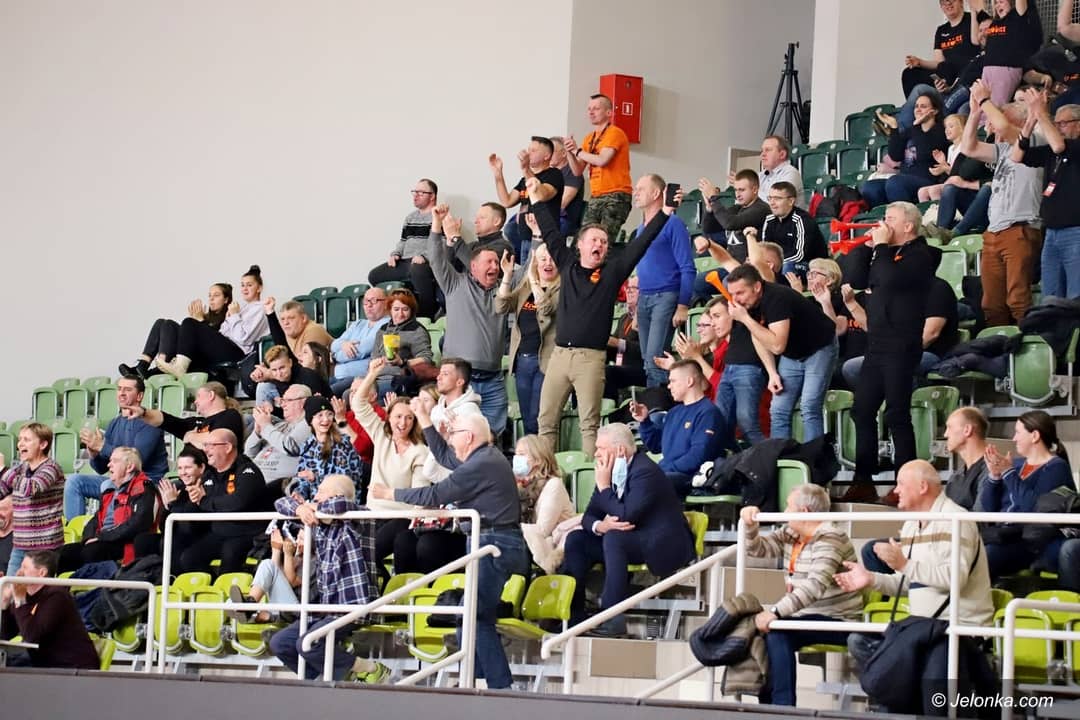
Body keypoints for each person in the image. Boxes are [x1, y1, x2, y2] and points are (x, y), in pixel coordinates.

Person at [369, 410, 527, 690]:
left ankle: (499, 686)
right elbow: (444, 457)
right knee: (470, 614)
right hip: (489, 540)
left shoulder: (482, 463)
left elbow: (436, 494)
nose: (450, 440)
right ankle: (475, 681)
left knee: (475, 615)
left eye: (454, 435)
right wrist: (427, 421)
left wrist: (390, 493)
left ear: (469, 437)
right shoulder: (483, 458)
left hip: (495, 543)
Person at [530, 178, 674, 457]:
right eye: (595, 240)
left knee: (589, 425)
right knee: (545, 421)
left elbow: (640, 244)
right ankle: (545, 474)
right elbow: (550, 231)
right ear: (580, 245)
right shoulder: (568, 265)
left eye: (605, 242)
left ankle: (595, 474)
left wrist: (665, 213)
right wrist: (536, 199)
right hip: (559, 356)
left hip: (590, 359)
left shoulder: (612, 273)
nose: (600, 244)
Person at [836, 460, 994, 716]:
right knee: (858, 641)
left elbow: (955, 578)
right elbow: (910, 583)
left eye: (901, 484)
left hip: (956, 628)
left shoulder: (957, 520)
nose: (895, 490)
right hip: (920, 630)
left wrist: (904, 563)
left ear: (922, 487)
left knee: (908, 669)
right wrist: (871, 579)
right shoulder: (911, 525)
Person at [560, 424, 694, 636]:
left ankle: (612, 617)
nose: (596, 454)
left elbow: (626, 516)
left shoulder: (645, 472)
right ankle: (575, 616)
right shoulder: (610, 472)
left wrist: (605, 488)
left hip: (660, 542)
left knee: (615, 538)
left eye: (601, 448)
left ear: (620, 450)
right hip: (632, 539)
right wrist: (600, 525)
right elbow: (589, 516)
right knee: (577, 539)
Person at [844, 203, 937, 504]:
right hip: (876, 344)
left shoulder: (921, 255)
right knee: (862, 409)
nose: (883, 223)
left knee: (897, 413)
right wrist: (866, 247)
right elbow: (858, 279)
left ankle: (904, 484)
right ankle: (863, 480)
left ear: (908, 226)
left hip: (902, 344)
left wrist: (882, 248)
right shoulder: (883, 253)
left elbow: (892, 280)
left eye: (890, 219)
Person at [740, 484, 862, 707]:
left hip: (839, 620)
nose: (784, 512)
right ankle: (767, 706)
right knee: (762, 631)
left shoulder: (831, 536)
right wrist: (750, 526)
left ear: (804, 511)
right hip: (804, 617)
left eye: (788, 506)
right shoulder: (792, 533)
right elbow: (758, 550)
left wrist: (775, 612)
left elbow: (814, 587)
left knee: (778, 630)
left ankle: (782, 708)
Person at [269, 474, 388, 684]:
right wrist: (300, 509)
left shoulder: (359, 515)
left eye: (321, 491)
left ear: (337, 494)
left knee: (309, 643)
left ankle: (370, 668)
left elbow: (340, 505)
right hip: (325, 607)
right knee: (280, 643)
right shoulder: (320, 522)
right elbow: (280, 503)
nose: (316, 495)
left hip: (353, 606)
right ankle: (327, 677)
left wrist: (309, 507)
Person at [961, 80, 1044, 325]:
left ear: (1019, 121)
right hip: (994, 231)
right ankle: (997, 342)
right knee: (991, 304)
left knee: (1018, 299)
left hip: (1020, 229)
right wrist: (974, 113)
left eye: (997, 121)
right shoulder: (1004, 150)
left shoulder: (1036, 140)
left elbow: (1004, 127)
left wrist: (985, 100)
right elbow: (968, 148)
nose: (993, 128)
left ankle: (1027, 342)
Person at [726, 263, 839, 443]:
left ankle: (814, 457)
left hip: (819, 347)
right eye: (732, 294)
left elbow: (777, 345)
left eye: (740, 293)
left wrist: (745, 319)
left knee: (809, 406)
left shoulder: (777, 298)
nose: (735, 300)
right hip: (792, 353)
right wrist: (772, 373)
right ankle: (779, 456)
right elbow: (758, 337)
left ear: (757, 287)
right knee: (778, 409)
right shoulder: (749, 304)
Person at [428, 204, 510, 438]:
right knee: (457, 437)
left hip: (493, 379)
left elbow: (528, 273)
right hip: (461, 381)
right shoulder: (455, 284)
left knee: (492, 438)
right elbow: (436, 259)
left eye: (496, 263)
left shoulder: (504, 289)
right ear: (473, 267)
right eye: (489, 262)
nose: (494, 267)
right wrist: (437, 224)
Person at [350, 359, 430, 587]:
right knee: (353, 552)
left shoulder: (420, 451)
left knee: (368, 552)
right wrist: (372, 374)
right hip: (371, 513)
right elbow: (358, 404)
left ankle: (388, 591)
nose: (403, 423)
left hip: (401, 517)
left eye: (409, 418)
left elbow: (419, 497)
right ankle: (381, 589)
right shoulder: (381, 436)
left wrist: (388, 494)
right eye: (398, 417)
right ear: (389, 417)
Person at [978, 410, 1073, 579]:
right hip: (1003, 536)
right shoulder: (1016, 464)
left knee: (986, 556)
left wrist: (1008, 473)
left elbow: (1035, 509)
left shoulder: (1056, 467)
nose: (1014, 438)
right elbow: (989, 507)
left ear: (1034, 436)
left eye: (1018, 432)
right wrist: (994, 476)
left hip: (1029, 542)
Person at [63, 375, 168, 521]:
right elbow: (101, 468)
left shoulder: (150, 422)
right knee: (74, 481)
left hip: (147, 483)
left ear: (139, 396)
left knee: (108, 485)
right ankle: (76, 530)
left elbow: (135, 462)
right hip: (118, 480)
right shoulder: (115, 423)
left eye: (127, 390)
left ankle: (109, 530)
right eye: (119, 389)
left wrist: (101, 445)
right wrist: (94, 453)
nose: (121, 393)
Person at [1013, 91, 1080, 299]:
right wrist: (1030, 122)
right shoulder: (1052, 151)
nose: (1058, 128)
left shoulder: (1074, 147)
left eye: (1063, 124)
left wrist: (1042, 113)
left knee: (1075, 297)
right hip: (1051, 232)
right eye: (1056, 124)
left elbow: (1059, 146)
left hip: (1075, 231)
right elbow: (1017, 156)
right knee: (1050, 297)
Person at [172, 429, 266, 574]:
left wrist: (204, 501)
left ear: (227, 447)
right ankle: (209, 587)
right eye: (205, 445)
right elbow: (196, 511)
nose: (206, 450)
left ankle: (231, 588)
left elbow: (237, 502)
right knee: (189, 558)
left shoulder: (247, 471)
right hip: (219, 533)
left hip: (245, 533)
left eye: (211, 445)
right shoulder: (209, 475)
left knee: (230, 553)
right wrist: (188, 500)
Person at [841, 272, 959, 385]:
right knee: (851, 367)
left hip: (929, 353)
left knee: (857, 367)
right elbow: (875, 329)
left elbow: (930, 334)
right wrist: (851, 303)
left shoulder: (937, 288)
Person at [633, 174, 695, 388]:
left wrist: (683, 305)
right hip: (645, 298)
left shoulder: (673, 223)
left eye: (641, 189)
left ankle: (671, 401)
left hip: (666, 296)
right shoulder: (640, 229)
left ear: (656, 193)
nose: (635, 193)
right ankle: (655, 404)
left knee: (654, 361)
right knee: (647, 363)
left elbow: (687, 266)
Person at [496, 231, 560, 436]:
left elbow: (546, 309)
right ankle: (532, 452)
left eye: (551, 259)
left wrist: (533, 280)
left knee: (538, 416)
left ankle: (543, 453)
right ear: (535, 263)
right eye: (542, 259)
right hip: (523, 359)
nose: (547, 263)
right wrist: (507, 276)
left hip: (547, 360)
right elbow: (501, 306)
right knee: (527, 417)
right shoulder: (525, 287)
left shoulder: (562, 288)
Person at [631, 360, 724, 498]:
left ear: (689, 381)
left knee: (647, 482)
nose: (669, 386)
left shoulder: (708, 413)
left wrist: (660, 469)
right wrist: (645, 422)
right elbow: (656, 446)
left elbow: (697, 457)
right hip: (667, 473)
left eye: (673, 381)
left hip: (691, 477)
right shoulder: (674, 412)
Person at [157, 265, 270, 378]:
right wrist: (230, 318)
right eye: (242, 285)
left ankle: (180, 367)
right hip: (227, 347)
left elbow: (243, 339)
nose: (245, 289)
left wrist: (234, 316)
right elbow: (223, 333)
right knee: (175, 325)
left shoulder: (260, 308)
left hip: (238, 353)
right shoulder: (242, 309)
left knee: (189, 323)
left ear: (259, 288)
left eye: (249, 285)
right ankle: (168, 365)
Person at [57, 447, 158, 572]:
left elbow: (138, 524)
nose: (109, 465)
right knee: (64, 553)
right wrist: (88, 538)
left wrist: (102, 537)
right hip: (104, 540)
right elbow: (95, 520)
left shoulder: (144, 489)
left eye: (115, 461)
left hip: (124, 543)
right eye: (110, 461)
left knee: (92, 552)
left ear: (129, 467)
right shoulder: (109, 492)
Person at [0, 551, 99, 669]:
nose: (18, 573)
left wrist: (19, 600)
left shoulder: (56, 596)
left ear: (42, 573)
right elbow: (5, 635)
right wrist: (4, 603)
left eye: (25, 568)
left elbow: (32, 637)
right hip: (43, 660)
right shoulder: (27, 596)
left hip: (71, 665)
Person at [119, 282, 232, 379]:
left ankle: (160, 368)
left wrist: (200, 321)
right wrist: (199, 321)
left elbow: (214, 344)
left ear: (226, 299)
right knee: (165, 323)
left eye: (216, 295)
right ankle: (143, 365)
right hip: (188, 355)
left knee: (187, 322)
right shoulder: (205, 316)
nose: (211, 299)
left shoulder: (229, 316)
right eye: (210, 295)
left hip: (205, 360)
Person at [367, 179, 440, 319]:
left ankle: (427, 315)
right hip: (405, 262)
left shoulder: (439, 216)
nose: (416, 195)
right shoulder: (410, 218)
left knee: (417, 270)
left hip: (426, 263)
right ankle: (395, 311)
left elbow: (440, 245)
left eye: (421, 192)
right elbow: (403, 241)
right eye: (414, 192)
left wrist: (424, 257)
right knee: (374, 275)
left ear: (432, 196)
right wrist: (395, 254)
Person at [564, 94, 634, 241]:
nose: (591, 112)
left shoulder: (615, 133)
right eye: (589, 109)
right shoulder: (589, 138)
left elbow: (602, 160)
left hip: (616, 194)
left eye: (596, 108)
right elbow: (577, 171)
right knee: (585, 239)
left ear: (609, 112)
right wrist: (569, 152)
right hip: (596, 195)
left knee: (603, 240)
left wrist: (577, 151)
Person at [861, 92, 949, 206]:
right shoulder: (911, 131)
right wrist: (894, 128)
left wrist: (916, 126)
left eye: (923, 106)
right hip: (904, 179)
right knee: (870, 187)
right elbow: (895, 155)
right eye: (916, 106)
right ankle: (886, 215)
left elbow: (925, 151)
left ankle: (905, 214)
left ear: (935, 111)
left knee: (895, 182)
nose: (918, 110)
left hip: (927, 181)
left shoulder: (940, 132)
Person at [0, 424, 65, 576]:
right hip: (20, 544)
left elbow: (31, 488)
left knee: (36, 588)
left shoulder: (52, 468)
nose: (20, 444)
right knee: (10, 588)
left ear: (43, 444)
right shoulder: (21, 469)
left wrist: (2, 469)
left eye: (26, 440)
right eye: (19, 439)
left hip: (44, 547)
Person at [490, 136, 564, 264]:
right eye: (528, 150)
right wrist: (498, 175)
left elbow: (541, 194)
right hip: (525, 238)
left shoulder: (554, 174)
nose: (528, 153)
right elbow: (507, 201)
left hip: (544, 239)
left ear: (547, 156)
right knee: (526, 275)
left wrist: (525, 169)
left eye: (533, 150)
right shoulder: (524, 179)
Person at [514, 435, 574, 575]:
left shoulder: (554, 485)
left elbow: (543, 530)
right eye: (516, 454)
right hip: (531, 545)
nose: (516, 459)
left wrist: (511, 528)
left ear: (538, 460)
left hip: (556, 548)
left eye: (522, 454)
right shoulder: (520, 486)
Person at [128, 381, 246, 451]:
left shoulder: (230, 415)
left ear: (211, 395)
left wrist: (191, 436)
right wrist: (143, 412)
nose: (195, 401)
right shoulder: (196, 422)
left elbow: (217, 440)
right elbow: (167, 421)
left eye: (198, 396)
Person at [655, 296, 733, 402]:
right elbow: (704, 388)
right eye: (698, 325)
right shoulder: (716, 353)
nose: (698, 330)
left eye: (704, 325)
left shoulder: (727, 350)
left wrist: (696, 357)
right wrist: (681, 363)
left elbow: (723, 387)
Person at [289, 396, 364, 502]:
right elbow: (303, 480)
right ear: (311, 420)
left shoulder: (342, 444)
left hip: (340, 503)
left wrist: (315, 477)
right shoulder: (307, 446)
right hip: (316, 503)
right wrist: (299, 493)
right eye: (320, 415)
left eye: (329, 414)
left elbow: (344, 483)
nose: (326, 419)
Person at [900, 0, 982, 96]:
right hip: (946, 73)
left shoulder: (972, 19)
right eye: (943, 2)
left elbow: (978, 41)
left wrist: (974, 10)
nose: (948, 3)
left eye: (952, 0)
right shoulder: (941, 30)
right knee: (909, 73)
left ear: (961, 2)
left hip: (965, 72)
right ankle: (919, 103)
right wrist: (919, 62)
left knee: (945, 68)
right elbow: (938, 62)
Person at [244, 384, 313, 496]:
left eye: (288, 400)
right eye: (282, 400)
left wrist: (265, 425)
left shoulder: (309, 424)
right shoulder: (278, 426)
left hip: (278, 488)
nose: (283, 405)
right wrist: (258, 430)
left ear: (304, 402)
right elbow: (249, 453)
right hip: (251, 483)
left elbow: (290, 446)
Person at [972, 0, 1042, 110]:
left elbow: (1021, 5)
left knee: (996, 107)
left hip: (1005, 69)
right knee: (982, 106)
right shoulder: (994, 22)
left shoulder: (1016, 18)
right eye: (996, 3)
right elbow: (975, 39)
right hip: (988, 70)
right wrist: (973, 11)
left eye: (1001, 1)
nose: (998, 5)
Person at [226, 526, 305, 624]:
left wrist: (288, 555)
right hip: (283, 607)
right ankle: (249, 608)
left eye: (301, 539)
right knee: (230, 602)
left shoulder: (313, 561)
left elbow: (291, 581)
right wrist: (276, 550)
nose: (296, 541)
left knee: (267, 564)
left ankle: (250, 608)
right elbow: (275, 576)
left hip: (297, 613)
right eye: (297, 537)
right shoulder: (299, 556)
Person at [369, 288, 436, 398]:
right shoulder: (382, 329)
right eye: (396, 309)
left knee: (363, 395)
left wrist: (402, 362)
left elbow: (426, 358)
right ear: (390, 310)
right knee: (346, 391)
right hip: (375, 377)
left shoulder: (417, 330)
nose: (400, 314)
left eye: (405, 309)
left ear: (411, 311)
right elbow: (373, 357)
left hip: (397, 379)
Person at [696, 169, 770, 265]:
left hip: (749, 268)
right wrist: (710, 208)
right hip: (732, 265)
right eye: (736, 190)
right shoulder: (738, 208)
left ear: (755, 189)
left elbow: (730, 223)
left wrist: (714, 199)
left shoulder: (761, 209)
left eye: (742, 190)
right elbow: (709, 229)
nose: (738, 194)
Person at [759, 181, 828, 279]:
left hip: (811, 265)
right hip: (781, 263)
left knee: (788, 266)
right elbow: (765, 249)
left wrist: (776, 263)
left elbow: (800, 255)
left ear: (791, 201)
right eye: (770, 198)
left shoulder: (802, 220)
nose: (772, 203)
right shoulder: (769, 220)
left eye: (777, 199)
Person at [330, 287, 390, 396]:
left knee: (326, 394)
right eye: (366, 302)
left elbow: (361, 351)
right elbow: (334, 344)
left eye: (374, 301)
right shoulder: (358, 324)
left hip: (359, 378)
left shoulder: (387, 325)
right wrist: (343, 344)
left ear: (386, 303)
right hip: (338, 376)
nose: (369, 305)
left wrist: (335, 356)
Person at [250, 344, 332, 409]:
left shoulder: (308, 376)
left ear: (290, 362)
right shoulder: (278, 378)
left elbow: (311, 410)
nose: (279, 373)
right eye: (274, 370)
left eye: (282, 368)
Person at [604, 277, 646, 400]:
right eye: (628, 288)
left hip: (641, 368)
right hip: (622, 366)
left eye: (634, 288)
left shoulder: (649, 317)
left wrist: (619, 343)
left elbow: (646, 349)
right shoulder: (624, 318)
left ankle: (611, 407)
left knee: (608, 372)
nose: (629, 291)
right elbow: (612, 343)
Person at [941, 407, 990, 510]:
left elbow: (980, 516)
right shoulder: (955, 478)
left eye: (949, 427)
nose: (945, 434)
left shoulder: (992, 471)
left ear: (967, 430)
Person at [264, 298, 333, 367]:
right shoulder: (289, 331)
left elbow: (302, 366)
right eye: (282, 319)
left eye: (291, 318)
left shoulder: (314, 330)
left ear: (303, 318)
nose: (286, 323)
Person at [428, 358, 482, 434]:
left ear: (459, 382)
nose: (438, 378)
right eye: (440, 373)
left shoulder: (469, 411)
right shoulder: (436, 410)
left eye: (445, 374)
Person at [755, 135, 805, 208]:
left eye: (768, 150)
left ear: (782, 154)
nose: (763, 154)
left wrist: (752, 192)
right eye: (762, 150)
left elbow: (776, 204)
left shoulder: (791, 173)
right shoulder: (761, 175)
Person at [551, 137, 585, 236]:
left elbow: (562, 203)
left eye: (552, 151)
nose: (547, 155)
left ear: (563, 153)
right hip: (548, 215)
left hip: (565, 220)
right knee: (515, 226)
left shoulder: (572, 172)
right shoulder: (549, 172)